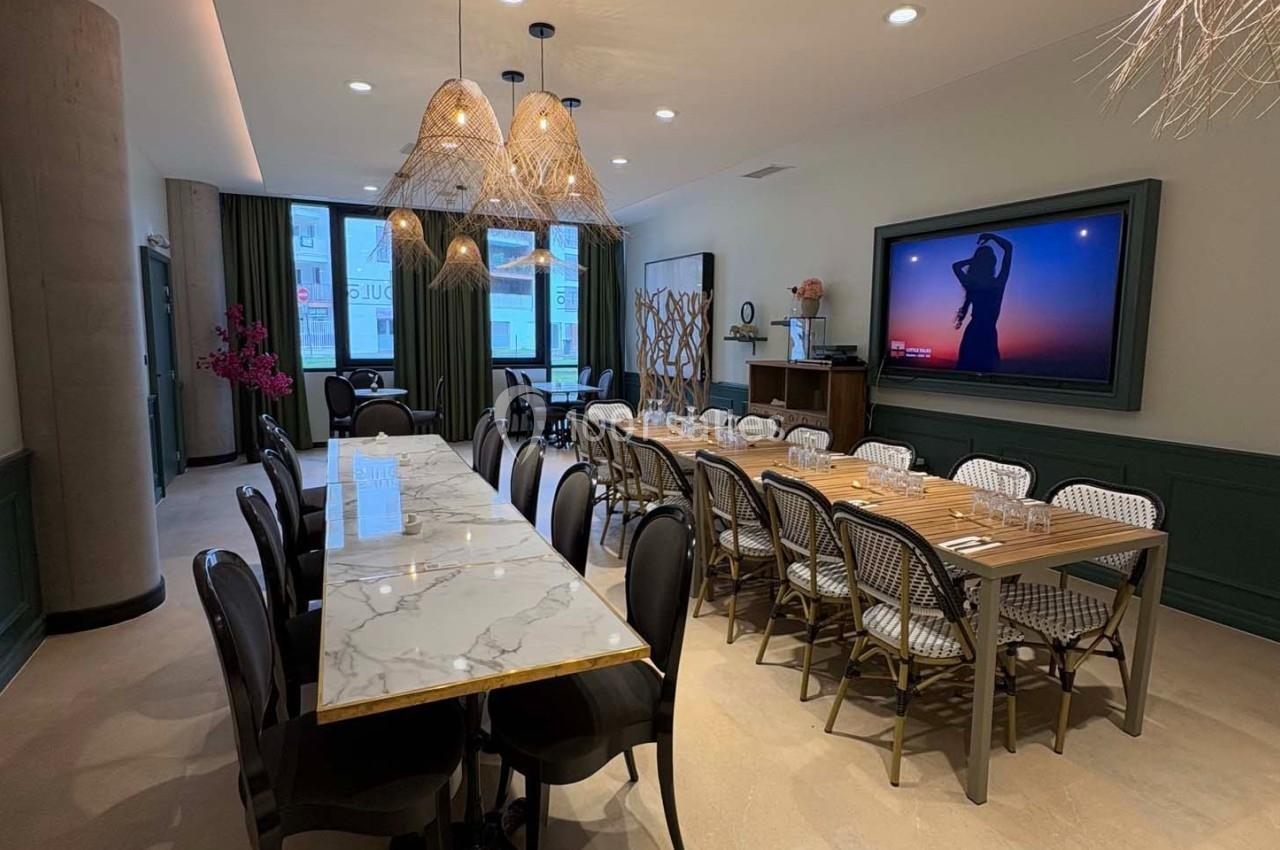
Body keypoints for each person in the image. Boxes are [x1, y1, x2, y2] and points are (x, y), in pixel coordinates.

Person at [952, 232, 1013, 373]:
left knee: (966, 373)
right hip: (986, 333)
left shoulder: (972, 284)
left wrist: (973, 260)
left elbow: (956, 266)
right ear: (993, 262)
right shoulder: (998, 283)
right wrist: (992, 236)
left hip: (976, 333)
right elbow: (1008, 248)